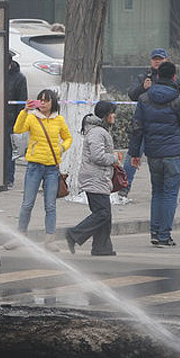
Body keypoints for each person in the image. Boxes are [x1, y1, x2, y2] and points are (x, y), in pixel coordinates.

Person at [128, 61, 180, 247]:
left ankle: (155, 232)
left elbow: (137, 128)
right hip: (173, 153)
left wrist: (135, 153)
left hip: (153, 153)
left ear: (157, 76)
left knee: (157, 192)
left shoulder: (144, 98)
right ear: (174, 77)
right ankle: (164, 235)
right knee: (169, 194)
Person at [4, 89, 71, 252]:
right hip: (34, 166)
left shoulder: (59, 120)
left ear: (53, 103)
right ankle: (20, 237)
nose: (43, 103)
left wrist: (62, 148)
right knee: (27, 204)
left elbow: (68, 138)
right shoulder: (32, 117)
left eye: (46, 100)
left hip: (52, 168)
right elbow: (18, 130)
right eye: (40, 100)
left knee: (50, 205)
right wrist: (24, 111)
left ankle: (50, 240)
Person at [66, 101, 121, 256]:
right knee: (102, 213)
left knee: (105, 215)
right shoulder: (98, 132)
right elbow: (98, 156)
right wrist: (114, 158)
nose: (114, 116)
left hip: (99, 177)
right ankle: (74, 234)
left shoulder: (99, 130)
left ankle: (101, 248)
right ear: (106, 115)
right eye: (112, 113)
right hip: (95, 177)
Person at [120, 48, 170, 198]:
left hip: (163, 124)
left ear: (166, 60)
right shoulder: (144, 77)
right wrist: (143, 87)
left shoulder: (171, 77)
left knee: (164, 159)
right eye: (155, 59)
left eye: (160, 59)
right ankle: (123, 187)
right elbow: (132, 94)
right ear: (151, 61)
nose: (157, 61)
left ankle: (163, 190)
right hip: (143, 123)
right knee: (133, 155)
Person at [5, 52, 28, 190]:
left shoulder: (19, 78)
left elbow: (21, 102)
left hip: (10, 119)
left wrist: (18, 122)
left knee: (9, 150)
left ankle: (8, 178)